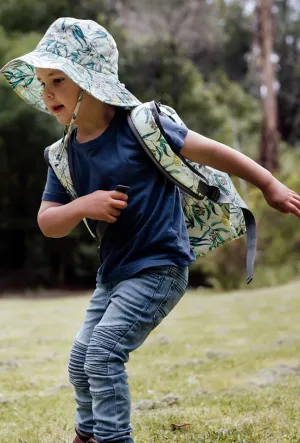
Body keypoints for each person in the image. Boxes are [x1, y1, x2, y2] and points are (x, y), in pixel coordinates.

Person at [1, 17, 300, 443]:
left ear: (91, 81)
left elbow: (214, 150)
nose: (46, 92)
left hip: (159, 268)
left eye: (58, 79)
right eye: (41, 81)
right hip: (113, 275)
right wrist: (84, 205)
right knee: (80, 359)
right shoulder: (62, 154)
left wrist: (268, 183)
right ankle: (86, 435)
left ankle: (113, 437)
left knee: (103, 354)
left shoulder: (143, 126)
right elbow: (47, 222)